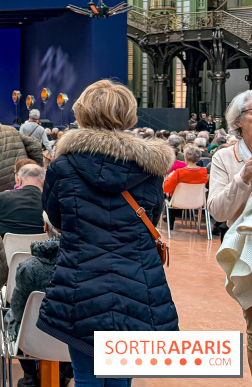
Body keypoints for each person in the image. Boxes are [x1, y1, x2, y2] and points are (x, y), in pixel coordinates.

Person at [37, 80, 178, 387]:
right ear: (128, 114)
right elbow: (152, 217)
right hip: (136, 282)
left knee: (86, 377)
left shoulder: (64, 165)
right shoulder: (150, 168)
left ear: (83, 112)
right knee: (120, 378)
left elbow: (56, 219)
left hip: (80, 281)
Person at [207, 90, 252, 371]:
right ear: (238, 121)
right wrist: (243, 178)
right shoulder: (225, 158)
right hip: (248, 254)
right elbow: (218, 211)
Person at [7, 237, 73, 387]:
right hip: (69, 340)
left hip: (31, 339)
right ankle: (64, 375)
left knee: (14, 320)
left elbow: (18, 310)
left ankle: (29, 377)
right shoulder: (80, 268)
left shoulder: (28, 267)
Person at [0, 163, 46, 238]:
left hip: (7, 244)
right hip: (41, 243)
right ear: (43, 182)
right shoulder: (49, 200)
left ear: (20, 181)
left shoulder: (3, 197)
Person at [163, 144, 208, 231]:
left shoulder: (178, 173)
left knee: (170, 197)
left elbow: (166, 189)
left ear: (185, 158)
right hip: (198, 203)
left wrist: (169, 177)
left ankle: (170, 223)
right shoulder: (204, 172)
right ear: (198, 159)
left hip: (177, 202)